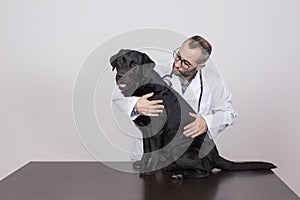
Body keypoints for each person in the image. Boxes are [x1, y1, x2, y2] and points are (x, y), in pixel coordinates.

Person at [112, 35, 237, 161]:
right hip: (148, 156)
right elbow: (118, 93)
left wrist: (207, 122)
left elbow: (228, 113)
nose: (177, 64)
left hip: (184, 156)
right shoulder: (155, 69)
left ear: (200, 66)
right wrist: (135, 104)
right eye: (178, 56)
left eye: (186, 63)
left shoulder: (214, 82)